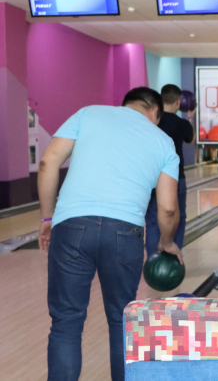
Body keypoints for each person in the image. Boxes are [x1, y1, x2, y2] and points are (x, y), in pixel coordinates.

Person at [38, 87, 182, 381]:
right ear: (155, 112)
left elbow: (48, 161)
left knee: (66, 322)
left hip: (72, 226)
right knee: (121, 321)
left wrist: (47, 217)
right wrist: (167, 243)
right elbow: (168, 209)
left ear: (125, 105)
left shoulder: (88, 114)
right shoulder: (163, 141)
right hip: (124, 232)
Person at [144, 84, 195, 256]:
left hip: (152, 177)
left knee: (152, 220)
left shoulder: (151, 122)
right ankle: (172, 258)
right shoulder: (182, 124)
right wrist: (190, 118)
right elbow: (191, 140)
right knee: (178, 218)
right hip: (175, 178)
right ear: (178, 101)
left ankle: (153, 259)